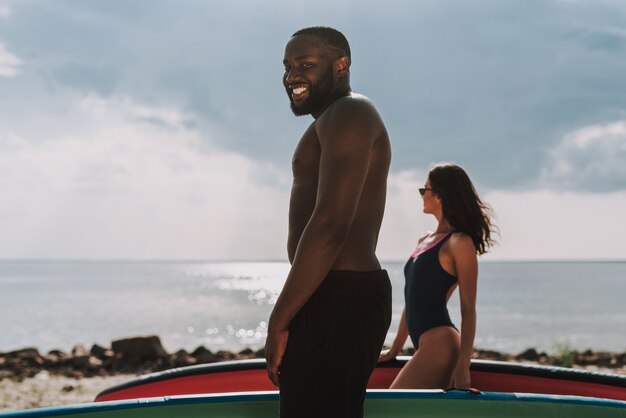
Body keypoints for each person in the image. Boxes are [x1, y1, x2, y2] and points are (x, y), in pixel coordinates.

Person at [265, 26, 392, 418]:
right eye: (287, 67)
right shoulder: (332, 118)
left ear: (341, 65)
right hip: (329, 294)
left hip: (341, 297)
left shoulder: (351, 112)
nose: (292, 76)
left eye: (306, 64)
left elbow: (331, 223)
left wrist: (278, 320)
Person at [379, 163, 496, 389]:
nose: (422, 196)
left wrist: (463, 365)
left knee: (393, 406)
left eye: (425, 190)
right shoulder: (424, 240)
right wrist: (395, 348)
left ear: (441, 195)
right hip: (425, 344)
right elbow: (413, 297)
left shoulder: (459, 243)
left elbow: (468, 308)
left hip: (441, 343)